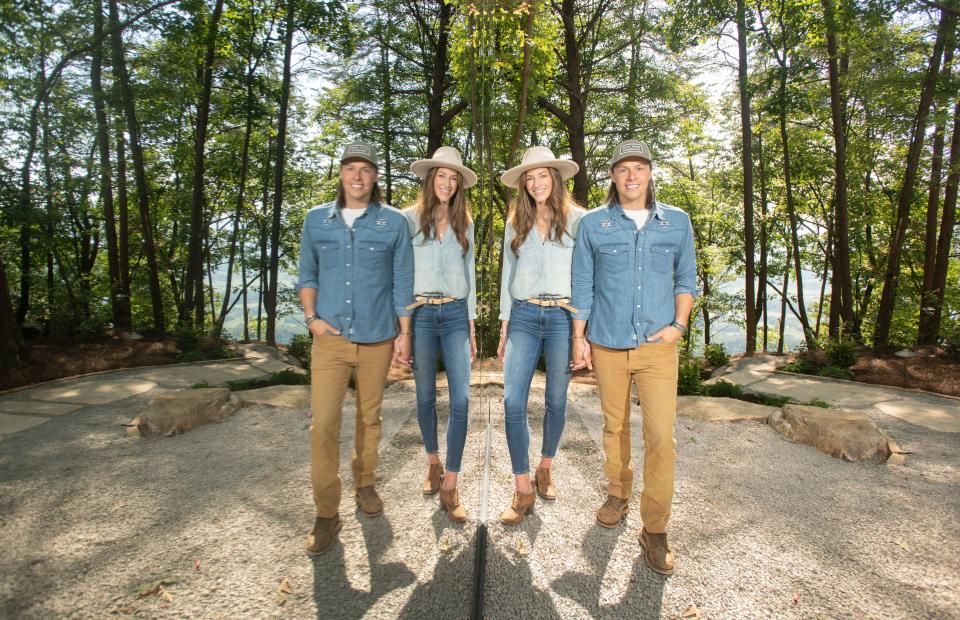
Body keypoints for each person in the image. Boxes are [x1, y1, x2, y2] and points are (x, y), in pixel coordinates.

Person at [571, 139, 697, 576]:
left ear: (650, 173)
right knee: (615, 426)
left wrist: (678, 327)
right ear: (612, 176)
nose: (631, 176)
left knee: (662, 436)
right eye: (623, 169)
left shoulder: (677, 222)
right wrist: (579, 338)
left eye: (639, 168)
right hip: (607, 342)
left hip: (658, 347)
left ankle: (656, 527)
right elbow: (582, 284)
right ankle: (617, 493)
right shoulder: (593, 224)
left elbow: (687, 279)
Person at [297, 142, 414, 557]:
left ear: (375, 177)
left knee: (370, 417)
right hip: (329, 340)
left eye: (366, 169)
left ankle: (365, 484)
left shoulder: (394, 223)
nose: (358, 176)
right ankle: (326, 513)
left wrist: (404, 334)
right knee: (323, 424)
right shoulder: (316, 220)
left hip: (378, 336)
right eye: (351, 169)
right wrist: (311, 320)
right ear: (341, 174)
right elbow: (306, 273)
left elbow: (403, 280)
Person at [497, 146, 585, 525]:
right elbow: (506, 277)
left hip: (564, 319)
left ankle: (546, 465)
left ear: (556, 177)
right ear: (523, 184)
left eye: (542, 175)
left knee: (556, 400)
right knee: (512, 401)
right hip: (523, 315)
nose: (536, 184)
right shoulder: (515, 221)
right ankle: (522, 486)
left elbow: (585, 278)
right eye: (529, 178)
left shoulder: (580, 221)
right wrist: (504, 326)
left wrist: (583, 332)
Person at [403, 146, 478, 523]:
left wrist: (471, 325)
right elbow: (399, 276)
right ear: (430, 179)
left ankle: (451, 481)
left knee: (461, 400)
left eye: (454, 177)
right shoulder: (408, 221)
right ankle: (433, 461)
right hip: (419, 316)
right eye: (441, 175)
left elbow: (472, 278)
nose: (447, 182)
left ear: (459, 184)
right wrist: (401, 330)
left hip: (454, 314)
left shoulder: (466, 223)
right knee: (425, 395)